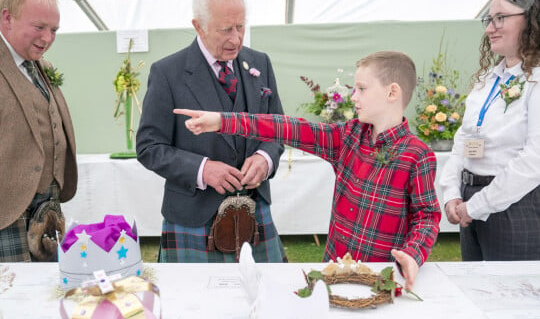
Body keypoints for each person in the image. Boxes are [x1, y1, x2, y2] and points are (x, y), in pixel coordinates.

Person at [175, 50, 441, 290]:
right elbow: (288, 127)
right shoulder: (347, 137)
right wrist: (222, 120)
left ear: (392, 93)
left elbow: (427, 216)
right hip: (332, 274)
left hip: (380, 280)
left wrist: (413, 253)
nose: (353, 95)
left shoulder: (417, 155)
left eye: (361, 88)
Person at [136, 0, 286, 263]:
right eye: (225, 30)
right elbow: (149, 147)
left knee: (266, 301)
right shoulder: (168, 73)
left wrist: (265, 158)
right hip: (193, 217)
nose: (236, 38)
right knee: (190, 306)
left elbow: (277, 129)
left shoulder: (260, 63)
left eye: (241, 26)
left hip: (255, 213)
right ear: (198, 26)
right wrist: (202, 170)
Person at [0, 0, 78, 262]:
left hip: (45, 213)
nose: (48, 38)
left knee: (42, 297)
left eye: (54, 30)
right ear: (7, 17)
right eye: (39, 27)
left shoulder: (43, 66)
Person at [439, 0, 540, 261]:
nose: (489, 28)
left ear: (532, 20)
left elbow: (534, 161)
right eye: (489, 18)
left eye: (500, 18)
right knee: (475, 296)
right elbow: (464, 140)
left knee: (513, 301)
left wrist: (477, 204)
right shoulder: (487, 79)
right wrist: (451, 194)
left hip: (516, 205)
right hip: (471, 202)